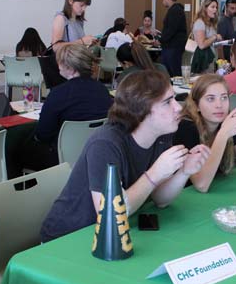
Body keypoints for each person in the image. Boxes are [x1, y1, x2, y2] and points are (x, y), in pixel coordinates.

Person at [40, 70, 210, 242]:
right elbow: (110, 215)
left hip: (110, 235)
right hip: (68, 238)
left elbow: (160, 200)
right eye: (167, 102)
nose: (178, 107)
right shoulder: (106, 143)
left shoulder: (161, 134)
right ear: (141, 109)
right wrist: (154, 174)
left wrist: (184, 172)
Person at [17, 43, 113, 173]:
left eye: (60, 63)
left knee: (15, 149)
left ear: (71, 68)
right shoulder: (102, 90)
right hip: (96, 153)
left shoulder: (58, 94)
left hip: (61, 159)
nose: (58, 66)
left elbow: (42, 135)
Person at [173, 74, 236, 192]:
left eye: (223, 98)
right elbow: (201, 185)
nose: (219, 105)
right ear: (197, 106)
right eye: (210, 99)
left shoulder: (228, 122)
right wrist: (223, 134)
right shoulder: (186, 127)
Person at [160, 0, 188, 77]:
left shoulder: (175, 11)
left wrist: (161, 40)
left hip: (173, 47)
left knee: (173, 71)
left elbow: (171, 30)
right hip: (173, 46)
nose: (162, 2)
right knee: (172, 71)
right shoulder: (175, 10)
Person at [191, 0, 221, 74]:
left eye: (216, 7)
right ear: (205, 8)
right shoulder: (200, 23)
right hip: (203, 61)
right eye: (212, 7)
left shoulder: (211, 23)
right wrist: (215, 37)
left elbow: (211, 43)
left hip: (211, 60)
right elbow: (201, 45)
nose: (215, 10)